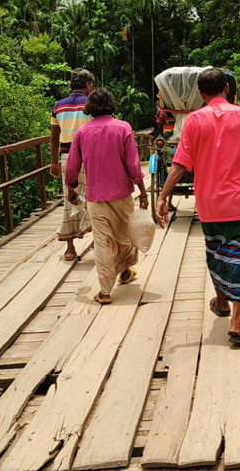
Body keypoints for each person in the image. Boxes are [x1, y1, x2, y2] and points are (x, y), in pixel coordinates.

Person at [156, 68, 240, 345]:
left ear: (201, 94)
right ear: (226, 88)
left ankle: (222, 302)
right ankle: (236, 322)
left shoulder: (194, 121)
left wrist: (163, 196)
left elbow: (180, 164)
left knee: (217, 252)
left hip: (208, 204)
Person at [65, 88, 149, 305]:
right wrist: (142, 191)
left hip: (96, 196)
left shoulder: (82, 133)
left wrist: (71, 187)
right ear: (111, 104)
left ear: (90, 108)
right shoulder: (123, 128)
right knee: (124, 236)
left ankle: (105, 292)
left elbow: (72, 166)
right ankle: (123, 272)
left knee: (102, 242)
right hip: (122, 195)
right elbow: (133, 165)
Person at [50, 69, 94, 261]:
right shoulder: (92, 105)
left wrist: (53, 162)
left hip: (67, 157)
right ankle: (97, 239)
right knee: (95, 196)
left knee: (70, 199)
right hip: (90, 156)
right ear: (87, 85)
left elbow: (53, 138)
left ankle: (70, 248)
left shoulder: (58, 106)